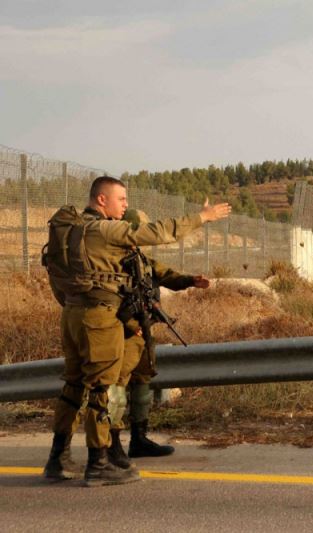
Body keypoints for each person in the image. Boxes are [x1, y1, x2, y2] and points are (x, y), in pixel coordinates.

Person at [43, 176, 231, 486]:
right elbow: (158, 233)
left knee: (74, 386)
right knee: (103, 389)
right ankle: (99, 464)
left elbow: (60, 278)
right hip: (100, 318)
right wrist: (202, 217)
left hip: (74, 315)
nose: (126, 205)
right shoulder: (104, 230)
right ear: (101, 200)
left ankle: (57, 458)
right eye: (122, 200)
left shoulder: (73, 232)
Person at [106, 209, 211, 468]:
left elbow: (164, 274)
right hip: (123, 332)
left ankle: (138, 439)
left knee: (143, 379)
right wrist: (131, 325)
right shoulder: (110, 260)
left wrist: (190, 281)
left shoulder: (139, 257)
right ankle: (112, 443)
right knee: (117, 386)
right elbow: (107, 299)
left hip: (143, 328)